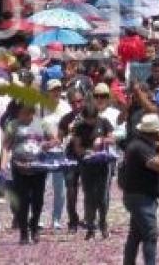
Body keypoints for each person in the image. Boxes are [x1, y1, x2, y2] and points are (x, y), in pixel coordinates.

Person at [120, 113, 159, 265]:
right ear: (153, 132)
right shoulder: (140, 147)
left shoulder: (143, 145)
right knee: (150, 235)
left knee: (135, 235)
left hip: (141, 196)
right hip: (140, 197)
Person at [3, 102, 55, 244]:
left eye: (29, 112)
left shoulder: (42, 124)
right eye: (23, 112)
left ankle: (34, 227)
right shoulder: (13, 125)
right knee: (23, 201)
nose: (26, 115)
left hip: (38, 167)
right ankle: (24, 233)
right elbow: (6, 145)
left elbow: (54, 139)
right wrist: (4, 164)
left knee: (38, 200)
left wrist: (48, 144)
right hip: (19, 166)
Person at [70, 102, 115, 240]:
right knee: (89, 196)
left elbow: (112, 139)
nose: (90, 122)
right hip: (87, 165)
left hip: (102, 164)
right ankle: (90, 226)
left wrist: (102, 140)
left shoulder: (104, 122)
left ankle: (103, 223)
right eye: (88, 119)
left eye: (93, 119)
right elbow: (77, 148)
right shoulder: (79, 127)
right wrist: (87, 151)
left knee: (102, 197)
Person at [41, 79, 70, 231]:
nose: (56, 92)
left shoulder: (65, 107)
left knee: (60, 188)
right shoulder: (41, 107)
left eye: (58, 89)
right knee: (42, 187)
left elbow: (69, 127)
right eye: (53, 90)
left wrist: (59, 139)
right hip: (44, 151)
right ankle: (39, 219)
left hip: (60, 151)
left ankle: (56, 219)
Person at [58, 89, 85, 233]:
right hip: (71, 157)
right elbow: (59, 138)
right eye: (73, 103)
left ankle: (90, 219)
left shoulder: (90, 116)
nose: (77, 105)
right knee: (71, 190)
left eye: (79, 101)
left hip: (87, 157)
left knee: (90, 190)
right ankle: (73, 220)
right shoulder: (66, 119)